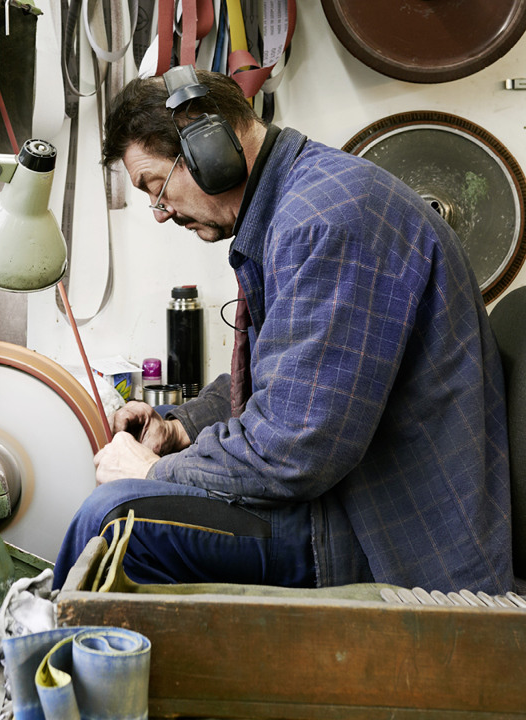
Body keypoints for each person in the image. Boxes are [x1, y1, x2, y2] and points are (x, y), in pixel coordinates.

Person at [52, 68, 513, 596]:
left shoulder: (326, 221)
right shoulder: (300, 205)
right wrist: (181, 427)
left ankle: (42, 662)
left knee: (112, 520)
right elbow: (286, 378)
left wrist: (154, 472)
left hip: (386, 533)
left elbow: (293, 451)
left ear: (210, 146)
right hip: (345, 502)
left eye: (156, 187)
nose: (160, 213)